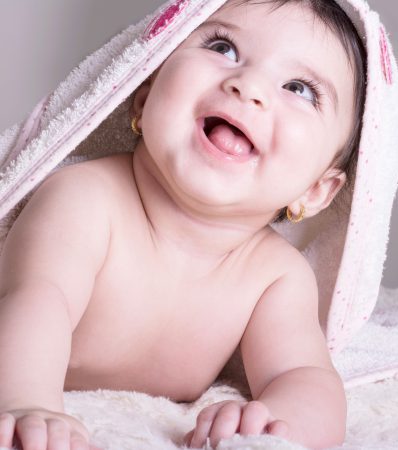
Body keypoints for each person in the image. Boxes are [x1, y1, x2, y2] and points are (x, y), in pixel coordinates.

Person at [0, 0, 367, 448]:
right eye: (223, 47)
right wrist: (26, 403)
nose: (248, 85)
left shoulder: (274, 277)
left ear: (316, 191)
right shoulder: (84, 199)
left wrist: (270, 424)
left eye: (298, 88)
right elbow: (37, 301)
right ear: (144, 94)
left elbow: (304, 377)